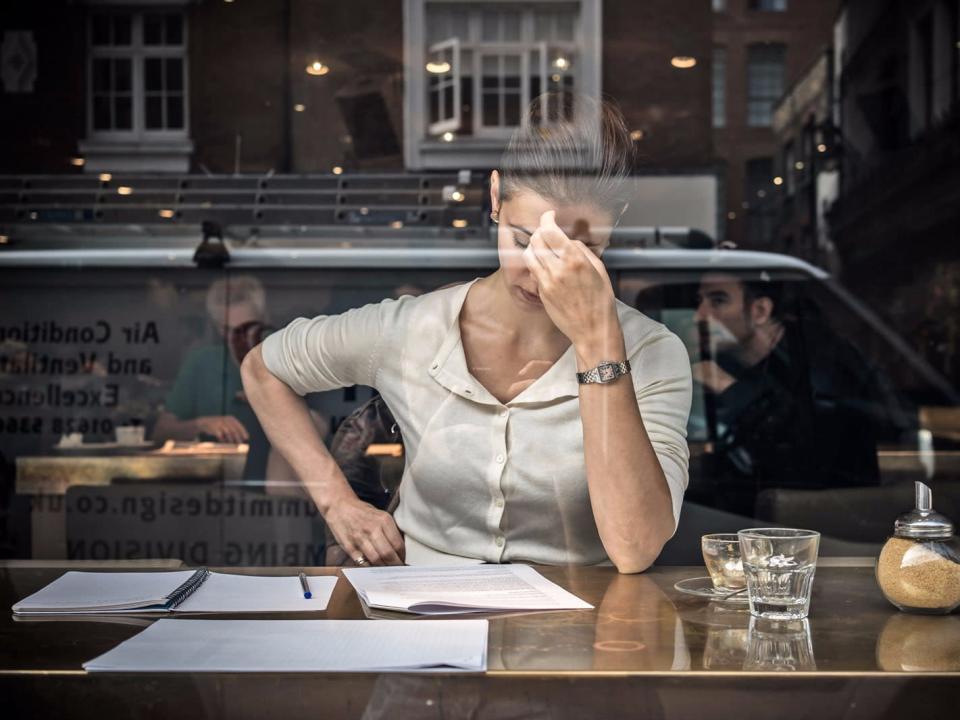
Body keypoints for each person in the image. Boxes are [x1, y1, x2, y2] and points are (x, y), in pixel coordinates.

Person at [241, 95, 692, 572]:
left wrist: (598, 342)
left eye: (580, 251)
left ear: (612, 230)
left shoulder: (651, 352)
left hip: (582, 631)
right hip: (425, 621)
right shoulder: (413, 329)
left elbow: (634, 547)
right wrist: (337, 504)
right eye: (524, 242)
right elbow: (263, 370)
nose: (541, 275)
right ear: (495, 198)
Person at [690, 271, 887, 516]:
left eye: (718, 301)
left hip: (827, 526)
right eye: (699, 302)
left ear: (760, 310)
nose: (700, 316)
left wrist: (728, 388)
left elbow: (800, 464)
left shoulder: (819, 369)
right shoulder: (735, 364)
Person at [152, 276, 274, 480]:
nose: (240, 338)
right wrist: (201, 424)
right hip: (213, 492)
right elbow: (161, 432)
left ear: (264, 320)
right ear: (218, 329)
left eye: (248, 327)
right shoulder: (202, 362)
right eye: (229, 330)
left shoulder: (287, 356)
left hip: (280, 488)